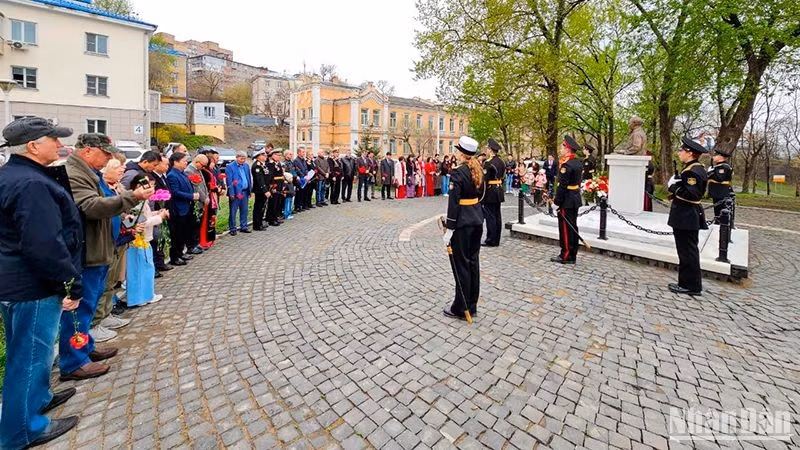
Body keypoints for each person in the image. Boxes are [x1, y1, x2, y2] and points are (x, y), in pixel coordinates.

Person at [0, 117, 82, 448]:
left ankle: (37, 398)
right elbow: (44, 244)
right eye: (53, 139)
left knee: (30, 353)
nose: (60, 145)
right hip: (31, 286)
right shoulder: (32, 184)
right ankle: (22, 430)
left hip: (14, 282)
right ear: (33, 146)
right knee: (30, 356)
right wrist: (70, 282)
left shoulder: (14, 175)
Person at [61, 133, 153, 381]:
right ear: (88, 150)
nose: (109, 159)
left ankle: (85, 347)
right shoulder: (75, 173)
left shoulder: (90, 172)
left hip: (100, 248)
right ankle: (73, 361)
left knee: (89, 304)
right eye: (105, 154)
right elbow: (91, 206)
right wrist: (133, 197)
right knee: (79, 310)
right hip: (87, 252)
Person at [442, 136, 484, 321]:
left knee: (461, 265)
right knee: (473, 263)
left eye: (458, 150)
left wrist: (450, 227)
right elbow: (481, 194)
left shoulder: (458, 172)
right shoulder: (477, 169)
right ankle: (472, 304)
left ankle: (461, 306)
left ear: (462, 153)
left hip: (463, 223)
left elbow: (454, 202)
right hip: (476, 219)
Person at [90, 155, 132, 344]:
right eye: (117, 168)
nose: (122, 171)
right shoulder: (102, 189)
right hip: (105, 241)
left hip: (118, 238)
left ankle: (106, 314)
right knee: (104, 281)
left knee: (113, 280)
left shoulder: (117, 188)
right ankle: (96, 322)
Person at [667, 137, 709, 296]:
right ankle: (686, 283)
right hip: (686, 215)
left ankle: (691, 286)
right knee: (686, 250)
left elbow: (692, 194)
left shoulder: (693, 171)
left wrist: (674, 187)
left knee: (688, 251)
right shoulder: (692, 168)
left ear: (690, 153)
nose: (679, 153)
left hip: (686, 215)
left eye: (682, 150)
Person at [126, 173, 167, 307]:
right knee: (141, 269)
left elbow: (145, 216)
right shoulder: (137, 202)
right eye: (149, 187)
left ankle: (146, 294)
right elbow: (136, 222)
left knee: (146, 268)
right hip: (139, 240)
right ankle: (141, 297)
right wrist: (160, 217)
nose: (151, 191)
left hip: (143, 239)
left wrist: (156, 213)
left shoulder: (142, 201)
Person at [551, 135, 583, 265]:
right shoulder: (578, 162)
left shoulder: (567, 165)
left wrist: (556, 202)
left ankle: (566, 254)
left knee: (565, 228)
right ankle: (573, 253)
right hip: (574, 197)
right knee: (573, 226)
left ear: (567, 148)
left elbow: (562, 186)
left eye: (562, 146)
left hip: (567, 199)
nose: (560, 149)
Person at [167, 152, 199, 266]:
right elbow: (175, 192)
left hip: (187, 207)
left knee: (184, 232)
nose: (186, 163)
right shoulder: (172, 175)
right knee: (177, 234)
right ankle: (175, 256)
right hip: (179, 208)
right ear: (176, 162)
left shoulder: (182, 173)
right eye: (184, 161)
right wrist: (191, 196)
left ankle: (181, 252)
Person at [481, 138, 506, 247]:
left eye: (487, 148)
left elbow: (484, 180)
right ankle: (497, 239)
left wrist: (481, 194)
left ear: (491, 150)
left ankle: (490, 239)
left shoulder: (488, 163)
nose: (486, 150)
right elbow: (503, 176)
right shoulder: (501, 161)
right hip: (499, 189)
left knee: (490, 216)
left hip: (490, 191)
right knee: (497, 215)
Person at [150, 156, 172, 274]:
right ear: (157, 164)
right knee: (156, 239)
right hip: (156, 213)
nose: (167, 167)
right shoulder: (152, 178)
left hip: (163, 212)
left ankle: (160, 262)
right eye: (165, 164)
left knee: (161, 239)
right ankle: (156, 265)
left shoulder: (163, 177)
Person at [185, 154, 209, 253]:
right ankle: (192, 245)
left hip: (201, 202)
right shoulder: (189, 171)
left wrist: (206, 195)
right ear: (197, 162)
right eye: (203, 165)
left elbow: (203, 185)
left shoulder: (198, 170)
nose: (203, 168)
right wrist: (204, 198)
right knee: (193, 224)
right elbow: (197, 188)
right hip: (196, 202)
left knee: (197, 224)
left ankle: (197, 243)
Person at [225, 151, 252, 234]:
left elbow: (248, 178)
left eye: (244, 159)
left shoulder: (246, 166)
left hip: (245, 192)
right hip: (236, 193)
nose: (243, 160)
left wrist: (249, 190)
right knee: (233, 211)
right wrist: (231, 193)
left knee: (244, 210)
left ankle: (244, 226)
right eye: (241, 159)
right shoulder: (230, 167)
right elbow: (229, 181)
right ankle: (232, 228)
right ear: (236, 157)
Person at [707, 146, 733, 223]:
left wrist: (710, 173)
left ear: (721, 157)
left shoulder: (724, 167)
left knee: (720, 211)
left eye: (716, 155)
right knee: (717, 211)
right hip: (717, 193)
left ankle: (721, 225)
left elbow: (719, 178)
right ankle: (718, 222)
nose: (714, 157)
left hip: (721, 192)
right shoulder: (718, 167)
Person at [199, 154, 220, 249]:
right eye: (211, 162)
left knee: (212, 218)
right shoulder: (204, 172)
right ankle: (205, 239)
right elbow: (207, 186)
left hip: (213, 197)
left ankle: (210, 238)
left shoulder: (210, 171)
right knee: (207, 219)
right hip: (208, 196)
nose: (213, 164)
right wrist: (215, 188)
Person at [251, 149, 269, 230]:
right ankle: (257, 225)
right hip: (260, 190)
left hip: (264, 189)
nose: (265, 157)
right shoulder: (257, 166)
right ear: (258, 157)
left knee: (262, 207)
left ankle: (260, 222)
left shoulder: (262, 165)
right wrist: (265, 190)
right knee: (258, 207)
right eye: (263, 155)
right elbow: (260, 179)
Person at [266, 149, 285, 227]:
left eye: (280, 155)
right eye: (278, 155)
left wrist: (283, 185)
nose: (279, 157)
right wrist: (272, 186)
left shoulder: (278, 164)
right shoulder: (270, 164)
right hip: (274, 185)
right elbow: (270, 177)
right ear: (273, 155)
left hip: (280, 185)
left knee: (278, 202)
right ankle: (271, 219)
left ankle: (275, 217)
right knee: (272, 203)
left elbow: (281, 175)